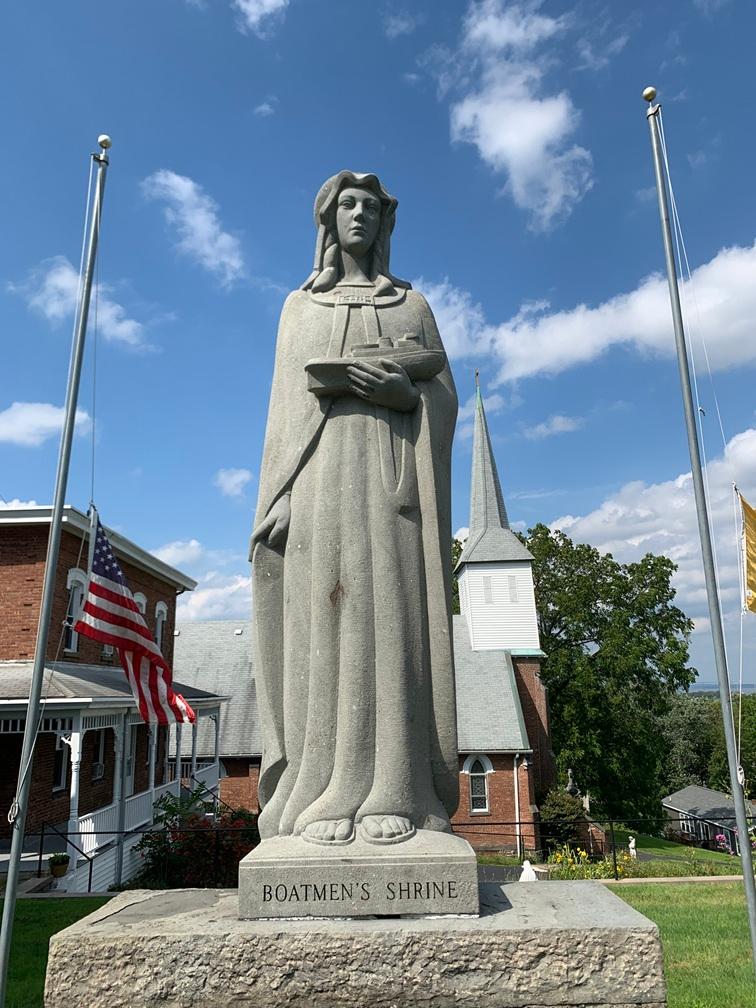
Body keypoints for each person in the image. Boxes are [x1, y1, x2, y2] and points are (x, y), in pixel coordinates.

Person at [250, 171, 459, 846]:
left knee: (390, 618)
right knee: (323, 626)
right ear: (329, 220)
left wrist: (406, 397)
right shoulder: (299, 308)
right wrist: (278, 496)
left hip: (392, 485)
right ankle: (319, 788)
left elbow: (445, 399)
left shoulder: (413, 306)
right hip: (317, 485)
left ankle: (394, 788)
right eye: (349, 205)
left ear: (385, 221)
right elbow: (283, 415)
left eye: (371, 206)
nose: (360, 215)